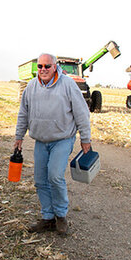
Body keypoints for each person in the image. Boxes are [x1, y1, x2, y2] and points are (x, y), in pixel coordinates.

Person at [14, 53, 92, 236]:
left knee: (55, 176)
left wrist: (85, 138)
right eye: (40, 66)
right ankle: (47, 218)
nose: (43, 70)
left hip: (62, 139)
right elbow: (23, 113)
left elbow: (82, 113)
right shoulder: (31, 86)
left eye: (47, 66)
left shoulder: (68, 84)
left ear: (55, 67)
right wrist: (19, 136)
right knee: (41, 180)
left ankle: (61, 216)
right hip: (41, 140)